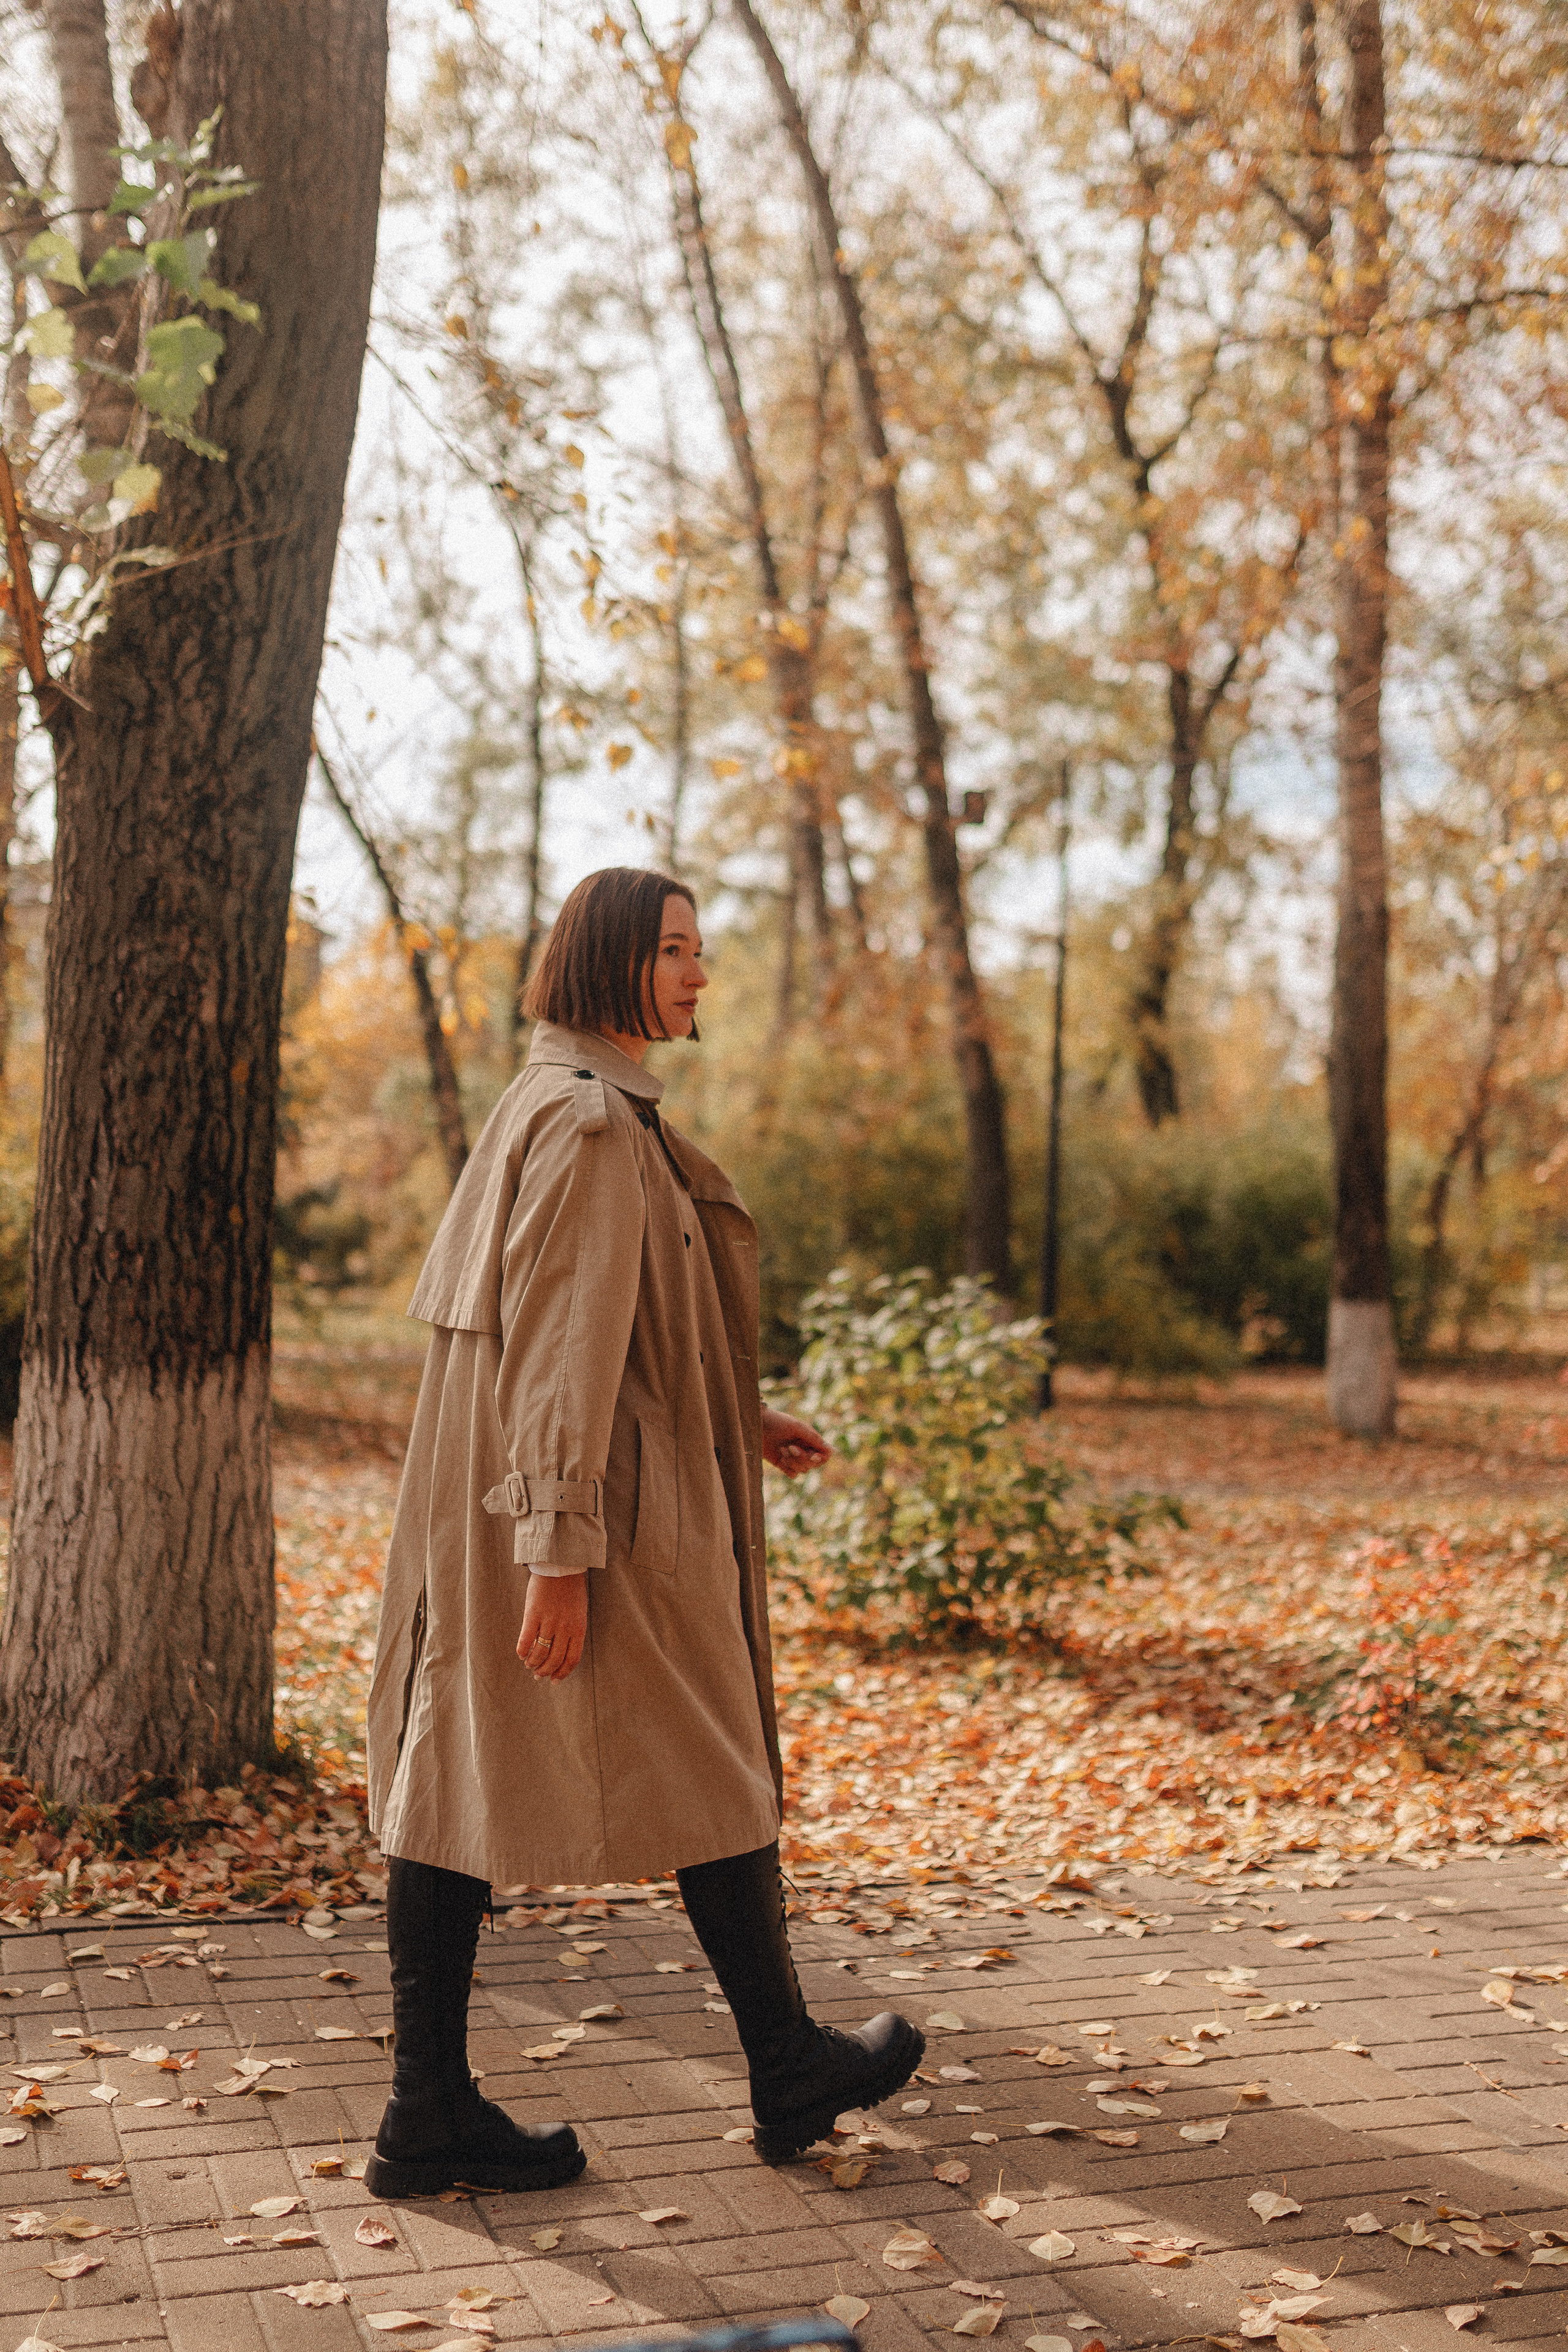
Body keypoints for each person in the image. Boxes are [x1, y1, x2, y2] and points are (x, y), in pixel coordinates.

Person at [363, 866, 923, 2198]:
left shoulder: (568, 1101)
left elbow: (614, 1327)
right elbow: (559, 1352)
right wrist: (557, 1556)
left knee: (463, 1771)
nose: (697, 973)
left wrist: (741, 1413)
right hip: (575, 1511)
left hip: (543, 1494)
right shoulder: (589, 1124)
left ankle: (435, 2108)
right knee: (704, 1761)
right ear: (612, 958)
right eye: (674, 949)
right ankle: (775, 2065)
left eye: (698, 949)